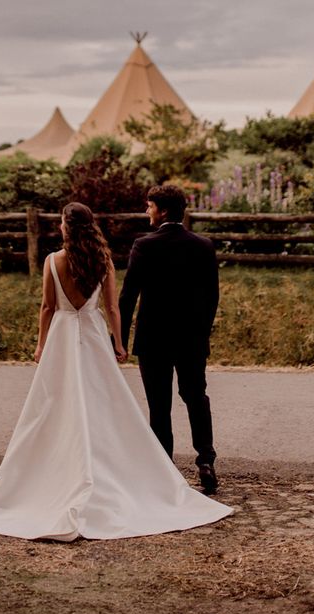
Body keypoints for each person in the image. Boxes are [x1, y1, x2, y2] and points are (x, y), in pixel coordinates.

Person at [0, 202, 232, 541]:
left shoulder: (52, 262)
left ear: (65, 227)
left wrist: (40, 344)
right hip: (92, 333)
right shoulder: (103, 262)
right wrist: (118, 343)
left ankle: (57, 469)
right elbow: (113, 307)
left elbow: (48, 306)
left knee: (55, 405)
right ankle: (148, 468)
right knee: (104, 403)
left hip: (60, 336)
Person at [119, 185, 220, 494]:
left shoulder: (144, 246)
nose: (147, 211)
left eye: (150, 206)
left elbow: (127, 298)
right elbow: (212, 297)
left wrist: (118, 340)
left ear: (162, 211)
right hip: (191, 338)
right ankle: (205, 461)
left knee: (159, 406)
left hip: (154, 338)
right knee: (196, 397)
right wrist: (202, 333)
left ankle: (164, 470)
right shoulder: (203, 246)